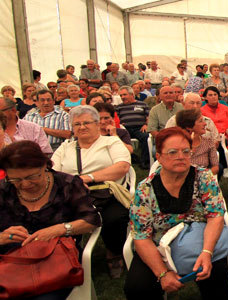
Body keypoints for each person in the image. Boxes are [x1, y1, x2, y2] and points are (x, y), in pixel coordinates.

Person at [125, 127, 228, 300]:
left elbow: (215, 217)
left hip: (200, 241)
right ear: (158, 156)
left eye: (186, 151)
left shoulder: (203, 177)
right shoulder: (145, 189)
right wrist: (163, 273)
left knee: (216, 274)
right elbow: (141, 236)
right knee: (137, 288)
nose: (181, 156)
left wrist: (207, 252)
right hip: (158, 246)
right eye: (172, 152)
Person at [0, 141, 101, 299]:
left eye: (32, 177)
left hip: (56, 261)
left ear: (45, 165)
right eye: (16, 180)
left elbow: (91, 219)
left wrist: (59, 229)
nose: (25, 184)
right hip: (10, 260)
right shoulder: (3, 190)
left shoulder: (67, 184)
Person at [51, 105, 131, 278]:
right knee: (56, 217)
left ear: (97, 124)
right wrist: (73, 183)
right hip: (72, 195)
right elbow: (52, 172)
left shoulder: (111, 142)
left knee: (115, 218)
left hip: (105, 193)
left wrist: (87, 178)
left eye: (86, 123)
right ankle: (69, 254)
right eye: (77, 124)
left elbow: (122, 166)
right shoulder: (66, 147)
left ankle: (114, 253)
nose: (82, 127)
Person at [116, 85, 151, 168]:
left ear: (132, 94)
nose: (122, 97)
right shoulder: (119, 107)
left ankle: (144, 162)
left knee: (146, 137)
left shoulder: (143, 104)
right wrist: (120, 125)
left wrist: (146, 124)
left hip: (139, 128)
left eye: (124, 95)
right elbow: (116, 119)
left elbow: (149, 117)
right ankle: (130, 158)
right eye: (121, 95)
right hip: (125, 129)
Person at [176, 109, 219, 175]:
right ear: (189, 126)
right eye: (200, 121)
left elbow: (215, 167)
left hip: (203, 179)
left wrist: (202, 177)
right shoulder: (176, 144)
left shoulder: (208, 142)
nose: (205, 124)